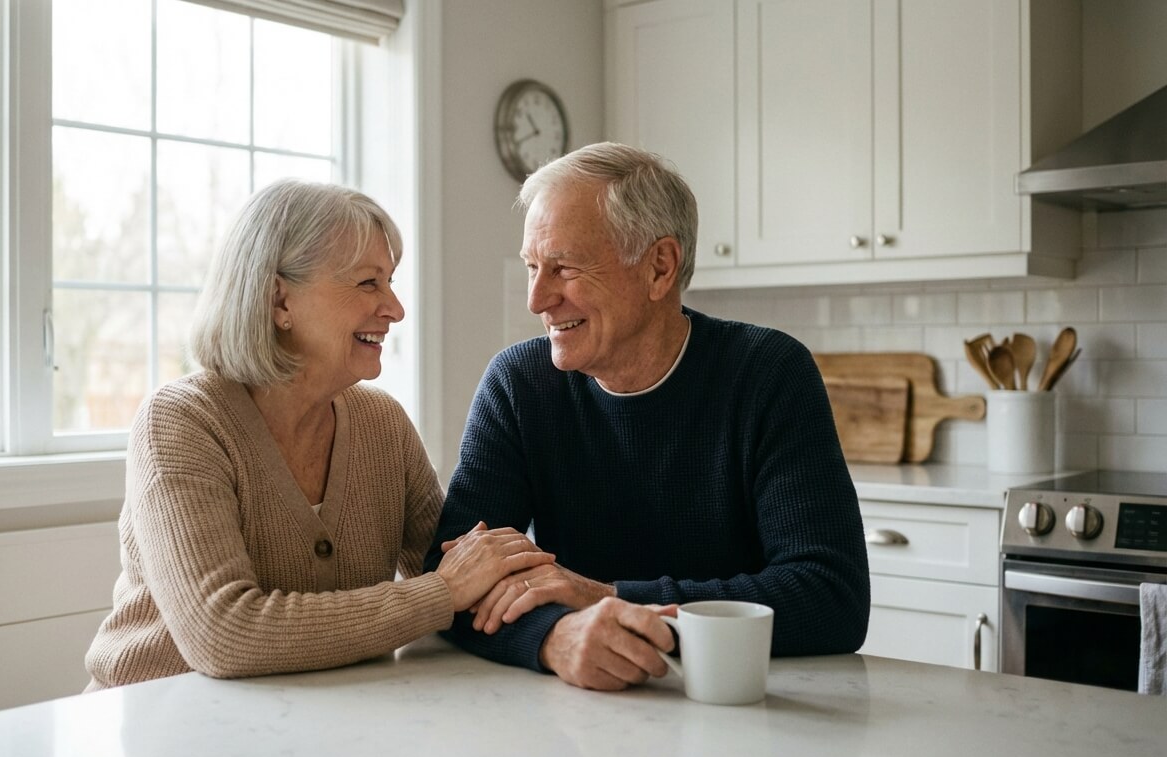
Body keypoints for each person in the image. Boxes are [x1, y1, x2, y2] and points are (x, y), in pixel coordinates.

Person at [424, 142, 870, 691]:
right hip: (578, 710)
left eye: (563, 268)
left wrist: (608, 597)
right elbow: (448, 587)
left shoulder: (769, 374)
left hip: (741, 707)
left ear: (659, 268)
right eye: (533, 268)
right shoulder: (518, 383)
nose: (537, 299)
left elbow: (831, 597)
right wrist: (554, 638)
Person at [84, 179, 553, 690]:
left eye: (391, 282)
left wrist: (576, 620)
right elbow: (224, 634)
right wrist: (439, 595)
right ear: (279, 299)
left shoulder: (383, 425)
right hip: (157, 725)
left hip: (313, 721)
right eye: (368, 283)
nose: (395, 309)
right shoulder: (181, 423)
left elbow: (464, 571)